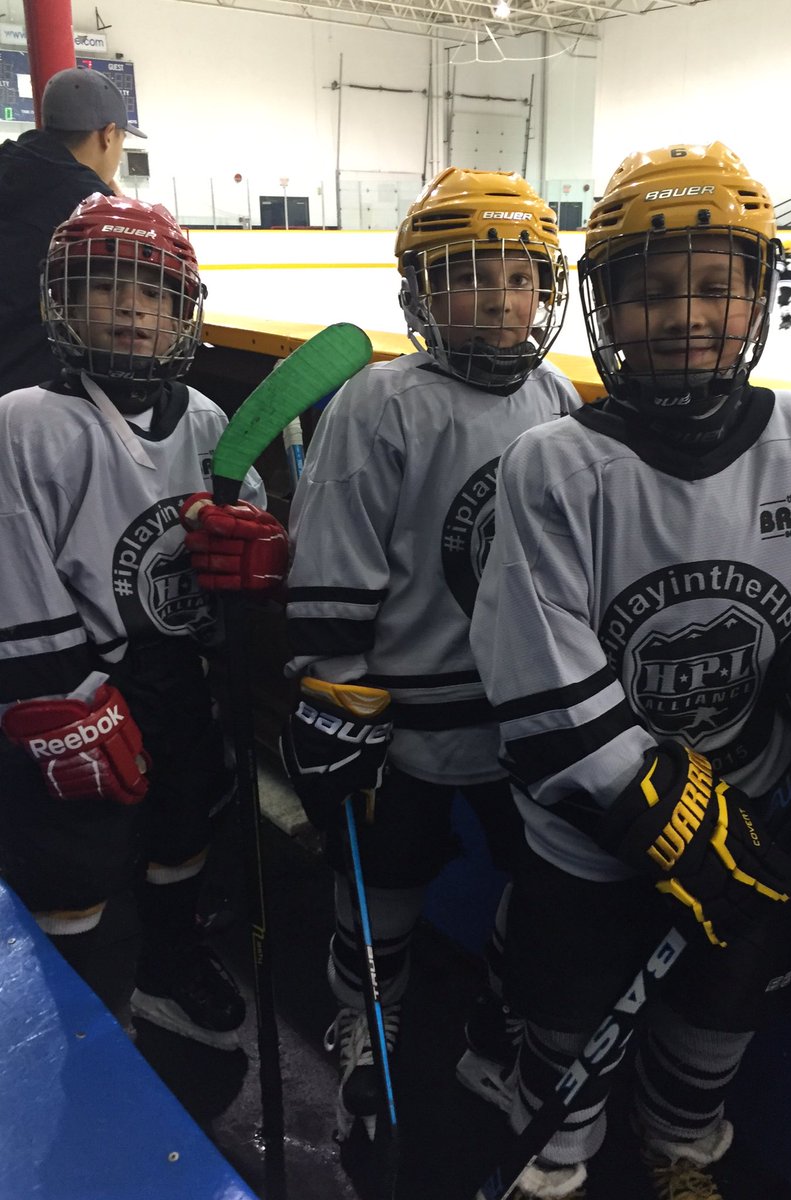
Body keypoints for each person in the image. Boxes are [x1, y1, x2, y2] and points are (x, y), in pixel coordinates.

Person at [469, 141, 791, 1199]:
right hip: (590, 839)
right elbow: (540, 674)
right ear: (603, 307)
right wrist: (673, 821)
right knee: (568, 1024)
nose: (688, 314)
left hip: (755, 810)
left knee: (725, 1003)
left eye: (718, 285)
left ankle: (679, 1151)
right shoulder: (555, 463)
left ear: (760, 293)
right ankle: (557, 1168)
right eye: (651, 291)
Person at [278, 167, 582, 1139]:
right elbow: (335, 559)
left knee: (545, 882)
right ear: (419, 290)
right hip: (401, 716)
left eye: (520, 273)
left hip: (522, 707)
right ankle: (370, 1014)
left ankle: (498, 1017)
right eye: (468, 272)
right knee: (383, 888)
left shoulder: (558, 397)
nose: (500, 294)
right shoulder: (381, 402)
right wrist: (337, 694)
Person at [0, 194, 288, 1050]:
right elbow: (12, 570)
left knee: (182, 829)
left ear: (181, 315)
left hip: (174, 679)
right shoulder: (25, 423)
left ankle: (166, 970)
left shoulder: (204, 418)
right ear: (62, 303)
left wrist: (258, 550)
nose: (130, 308)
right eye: (106, 287)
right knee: (74, 863)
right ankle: (83, 1019)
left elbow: (241, 526)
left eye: (154, 293)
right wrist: (63, 703)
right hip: (70, 683)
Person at [0, 66, 145, 395]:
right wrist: (110, 199)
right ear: (108, 135)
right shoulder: (90, 207)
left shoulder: (12, 167)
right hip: (26, 397)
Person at [774, 238, 791, 329]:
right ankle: (785, 319)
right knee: (782, 301)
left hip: (786, 283)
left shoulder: (782, 258)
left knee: (783, 301)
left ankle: (787, 320)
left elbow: (779, 269)